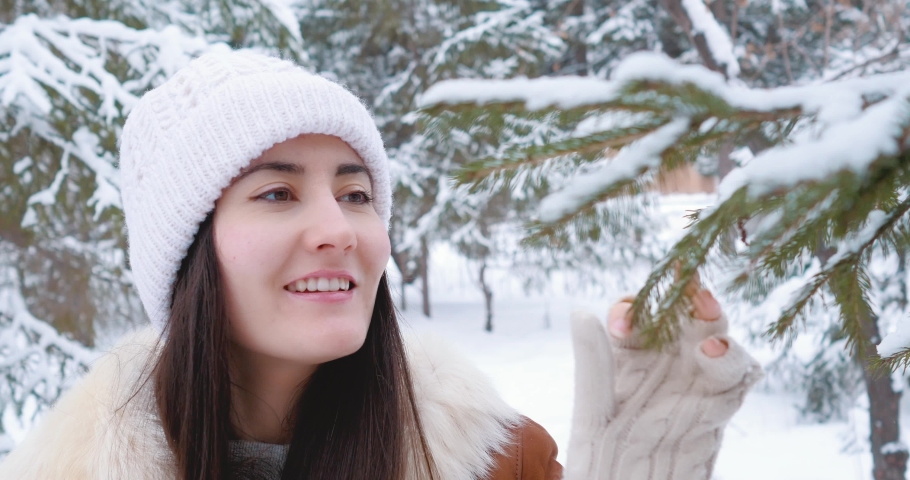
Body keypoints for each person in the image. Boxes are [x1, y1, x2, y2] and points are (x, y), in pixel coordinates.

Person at [0, 50, 762, 480]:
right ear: (188, 257)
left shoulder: (498, 463)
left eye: (356, 192)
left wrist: (640, 467)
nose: (339, 228)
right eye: (276, 193)